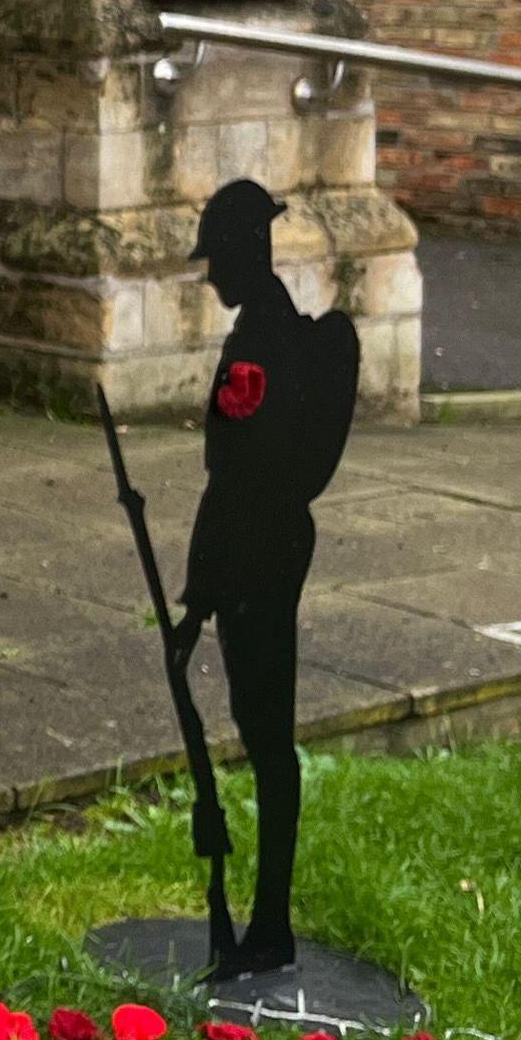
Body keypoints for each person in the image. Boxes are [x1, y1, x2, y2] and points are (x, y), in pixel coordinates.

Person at [164, 176, 360, 977]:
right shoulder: (266, 329)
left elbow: (236, 484)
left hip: (259, 555)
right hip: (266, 549)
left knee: (268, 740)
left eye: (217, 258)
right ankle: (264, 916)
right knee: (263, 733)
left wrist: (201, 597)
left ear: (247, 252)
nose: (209, 275)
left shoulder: (260, 344)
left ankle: (269, 922)